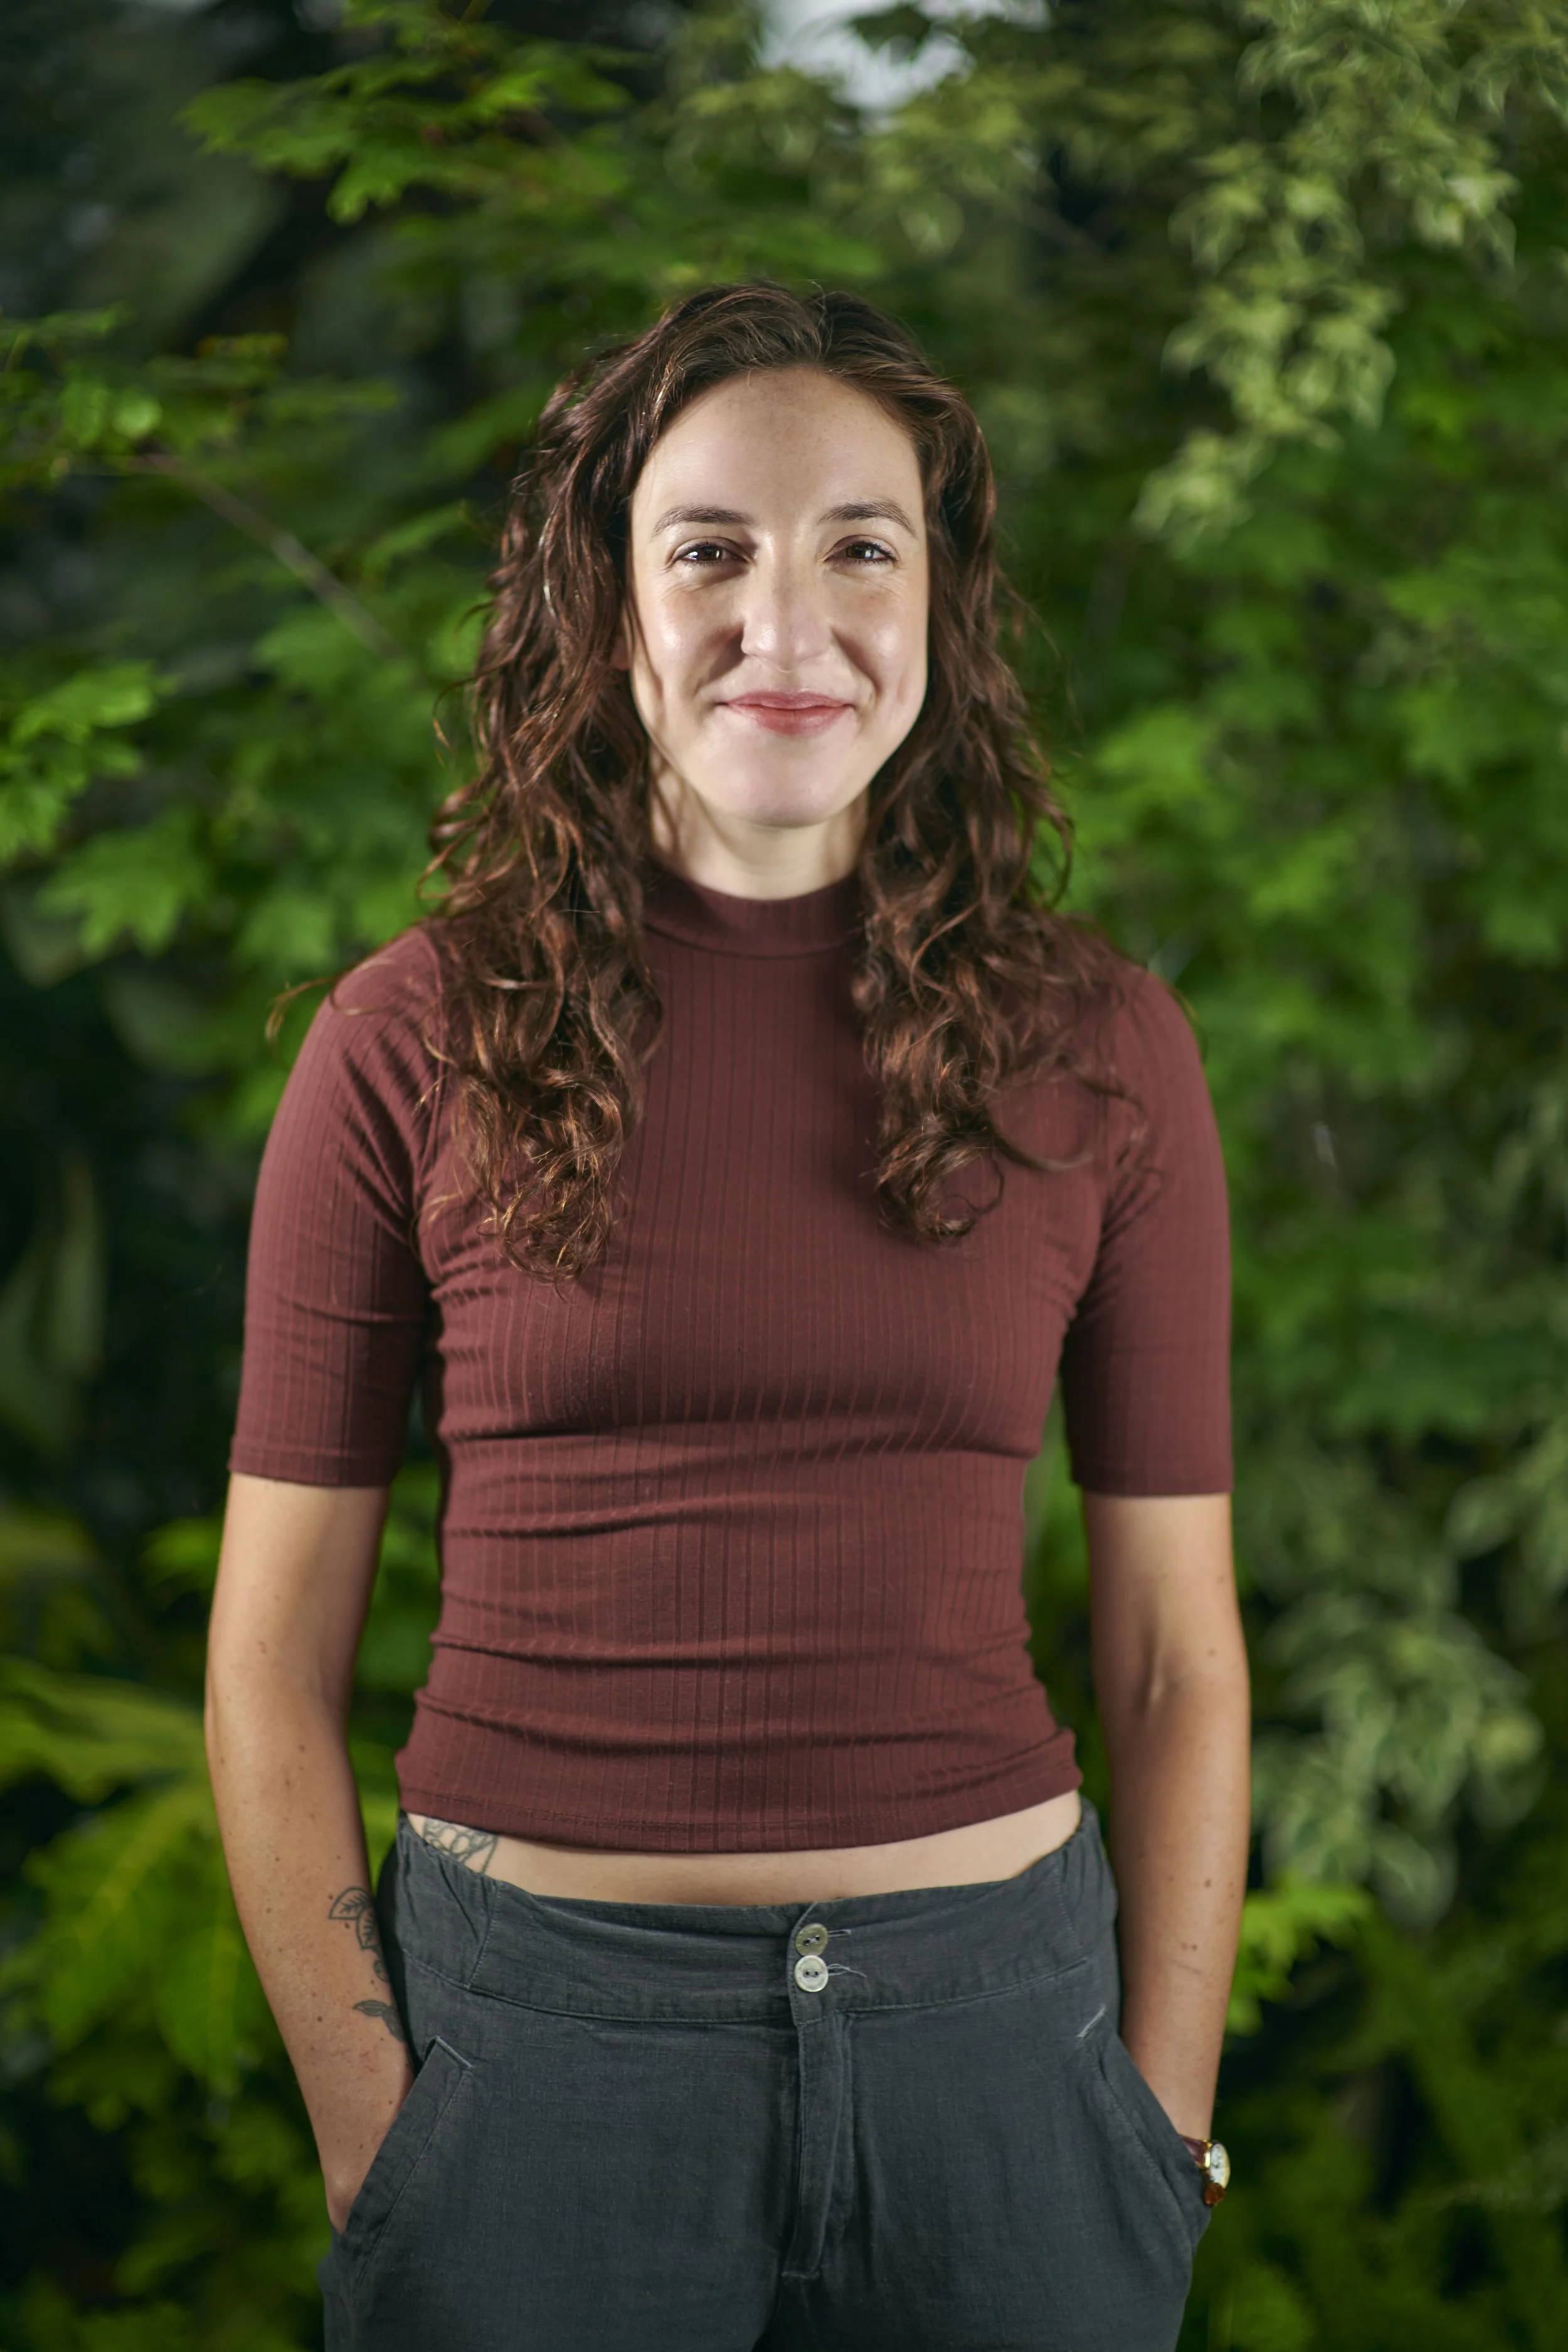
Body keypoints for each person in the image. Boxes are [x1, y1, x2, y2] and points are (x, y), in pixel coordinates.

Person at [206, 282, 1249, 2352]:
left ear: (938, 605)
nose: (790, 617)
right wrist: (373, 2133)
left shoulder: (1098, 1047)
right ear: (600, 610)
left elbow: (1170, 1652)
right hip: (535, 2076)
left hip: (1006, 2072)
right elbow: (263, 1663)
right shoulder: (408, 1042)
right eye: (708, 549)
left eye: (862, 542)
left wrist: (1157, 2124)